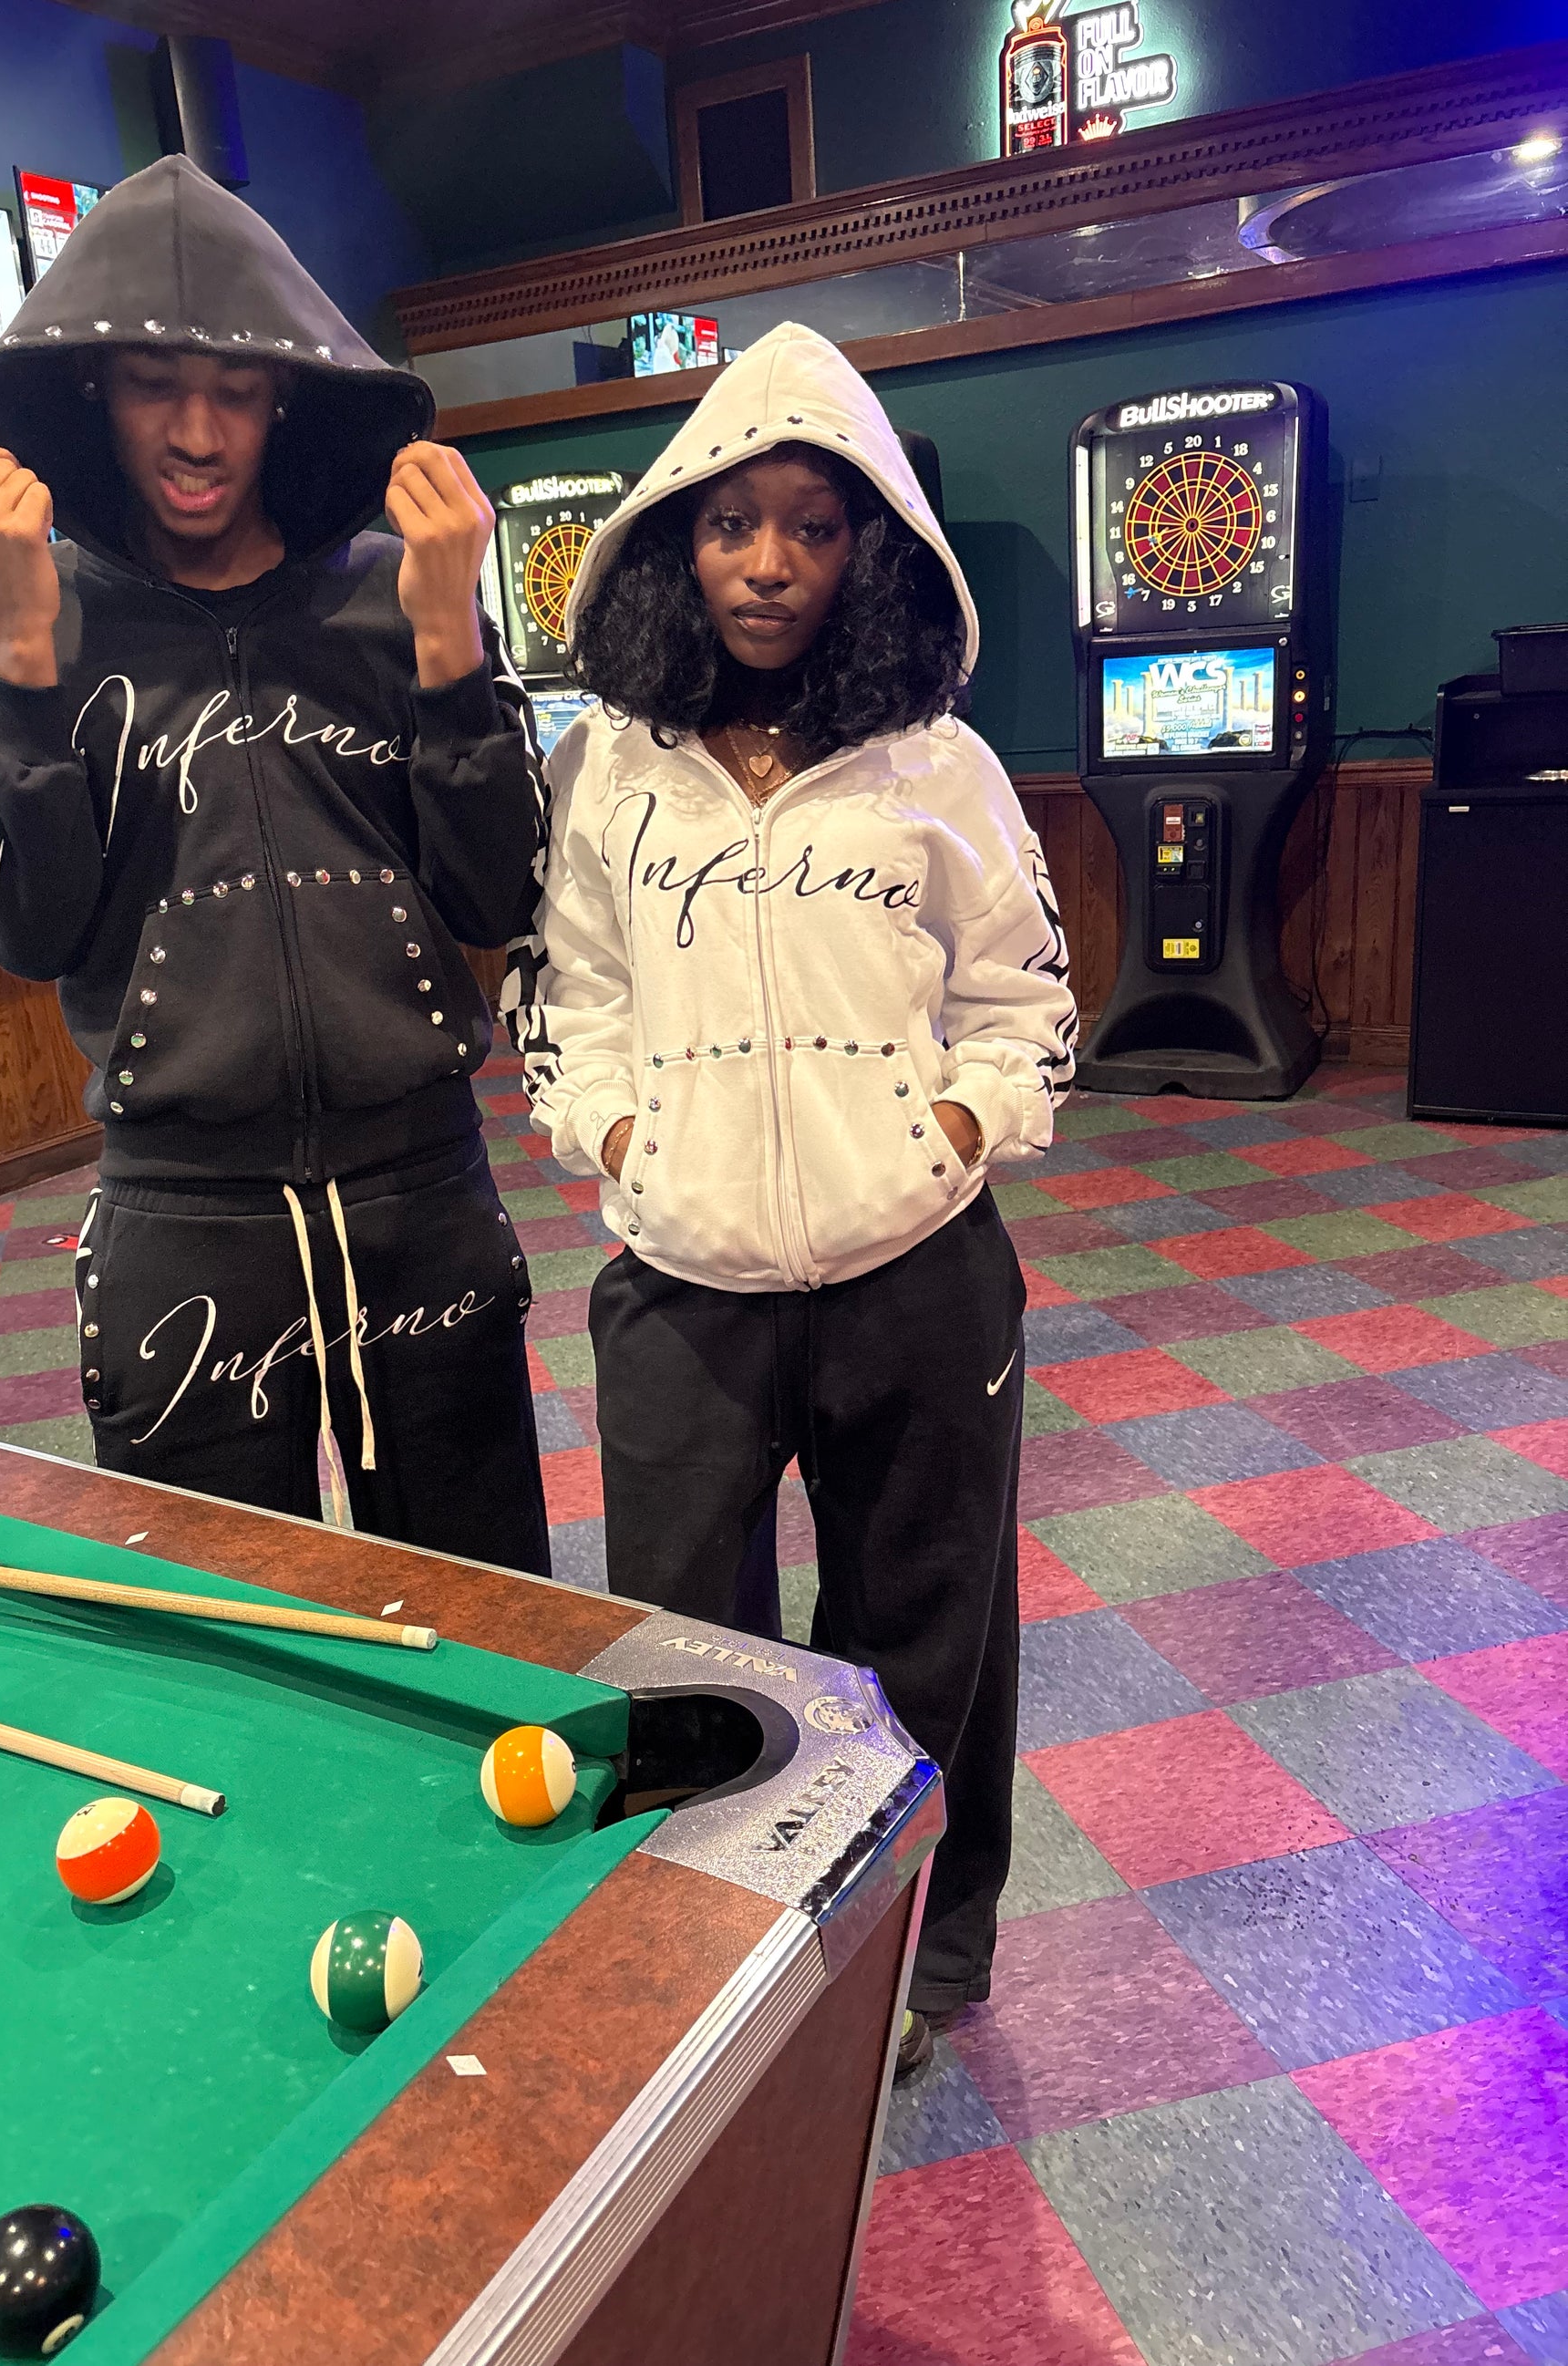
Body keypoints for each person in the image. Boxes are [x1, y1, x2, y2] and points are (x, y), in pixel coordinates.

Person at [509, 322, 1078, 2072]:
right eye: (732, 522)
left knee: (925, 1632)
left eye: (813, 528)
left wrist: (953, 1132)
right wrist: (619, 1140)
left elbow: (1026, 1000)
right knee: (689, 1646)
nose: (768, 563)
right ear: (675, 542)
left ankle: (919, 1957)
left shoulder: (940, 765)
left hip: (917, 1276)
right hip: (681, 1283)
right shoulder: (607, 766)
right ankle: (720, 1957)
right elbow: (574, 997)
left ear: (868, 552)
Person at [0, 155, 549, 1574]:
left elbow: (496, 895)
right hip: (181, 1215)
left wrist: (448, 644)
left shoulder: (394, 587)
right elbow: (27, 929)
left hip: (422, 1192)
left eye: (238, 389)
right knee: (214, 1621)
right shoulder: (21, 612)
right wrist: (16, 655)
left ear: (288, 398)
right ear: (94, 387)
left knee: (482, 1601)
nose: (198, 432)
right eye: (155, 382)